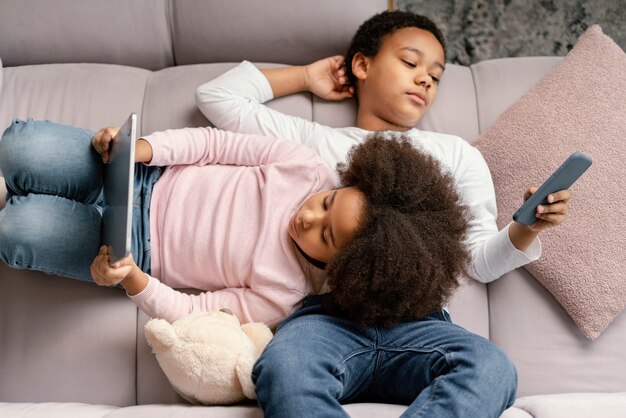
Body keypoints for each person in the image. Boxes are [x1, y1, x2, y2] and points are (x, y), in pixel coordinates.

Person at [195, 10, 572, 418]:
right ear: (362, 64)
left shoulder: (458, 155)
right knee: (283, 368)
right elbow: (217, 97)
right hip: (326, 321)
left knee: (493, 369)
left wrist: (526, 228)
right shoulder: (313, 143)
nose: (425, 79)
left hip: (422, 327)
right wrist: (306, 76)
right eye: (410, 63)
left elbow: (478, 262)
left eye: (436, 75)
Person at [0, 118, 468, 330]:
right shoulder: (303, 166)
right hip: (137, 171)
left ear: (348, 268)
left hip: (128, 249)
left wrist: (132, 281)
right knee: (20, 145)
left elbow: (192, 314)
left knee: (17, 231)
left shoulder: (285, 294)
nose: (307, 216)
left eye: (324, 235)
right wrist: (141, 148)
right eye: (326, 203)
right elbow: (212, 144)